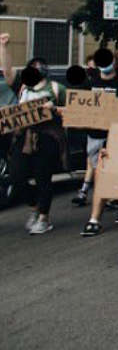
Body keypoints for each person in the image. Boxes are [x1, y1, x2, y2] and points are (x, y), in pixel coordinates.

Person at [4, 48, 68, 236]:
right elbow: (7, 72)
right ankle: (34, 207)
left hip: (48, 137)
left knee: (43, 177)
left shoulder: (56, 88)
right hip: (25, 137)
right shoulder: (23, 88)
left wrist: (54, 109)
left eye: (39, 66)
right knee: (16, 175)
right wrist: (4, 47)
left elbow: (73, 110)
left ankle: (43, 218)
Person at [80, 48, 118, 235]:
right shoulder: (90, 83)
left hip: (115, 136)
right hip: (95, 136)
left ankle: (94, 219)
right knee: (104, 175)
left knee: (103, 177)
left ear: (115, 63)